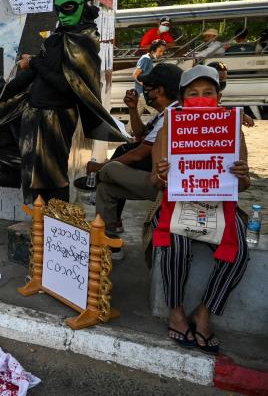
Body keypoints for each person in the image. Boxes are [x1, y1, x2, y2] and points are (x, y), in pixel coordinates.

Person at [0, 0, 128, 203]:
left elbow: (69, 88)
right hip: (34, 115)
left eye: (68, 7)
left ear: (82, 5)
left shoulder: (83, 41)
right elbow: (33, 74)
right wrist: (2, 93)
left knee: (53, 178)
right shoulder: (58, 37)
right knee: (32, 176)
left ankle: (56, 234)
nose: (62, 14)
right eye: (58, 7)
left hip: (56, 118)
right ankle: (39, 230)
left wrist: (35, 62)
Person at [150, 65, 250, 354]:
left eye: (208, 92)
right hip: (177, 205)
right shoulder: (168, 129)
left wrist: (243, 174)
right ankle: (177, 311)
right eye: (193, 93)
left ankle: (204, 312)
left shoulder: (231, 129)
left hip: (220, 208)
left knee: (239, 253)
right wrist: (159, 173)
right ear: (182, 99)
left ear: (218, 97)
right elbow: (154, 183)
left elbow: (241, 186)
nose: (201, 98)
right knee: (175, 245)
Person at [88, 63, 182, 255]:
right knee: (106, 190)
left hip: (165, 185)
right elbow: (142, 136)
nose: (145, 91)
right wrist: (132, 109)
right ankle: (109, 245)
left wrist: (100, 166)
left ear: (160, 90)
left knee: (112, 169)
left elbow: (139, 153)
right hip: (157, 178)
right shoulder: (166, 112)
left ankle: (96, 176)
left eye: (148, 86)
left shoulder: (172, 115)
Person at [205, 62, 254, 128]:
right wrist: (240, 115)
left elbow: (217, 109)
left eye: (225, 79)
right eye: (220, 79)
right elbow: (208, 112)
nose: (223, 82)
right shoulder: (200, 93)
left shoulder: (216, 94)